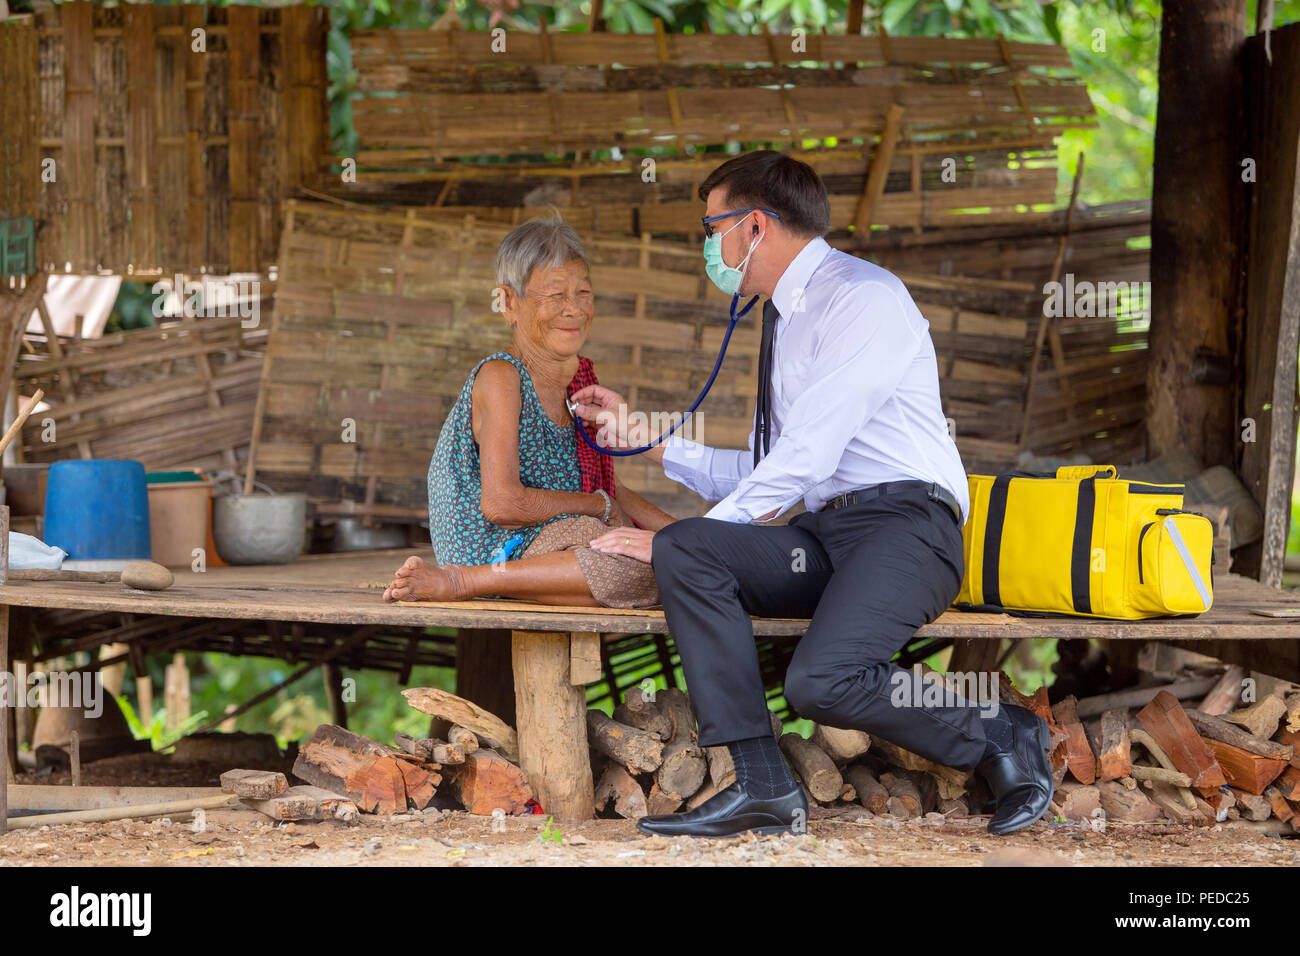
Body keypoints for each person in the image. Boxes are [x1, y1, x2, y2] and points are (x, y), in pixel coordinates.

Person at [572, 150, 1053, 838]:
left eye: (713, 228)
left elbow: (803, 458)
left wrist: (677, 535)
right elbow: (773, 468)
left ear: (756, 226)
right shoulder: (785, 318)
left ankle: (1004, 733)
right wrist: (644, 437)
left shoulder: (863, 298)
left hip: (907, 529)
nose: (709, 245)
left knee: (820, 680)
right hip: (828, 533)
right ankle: (765, 788)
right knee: (690, 551)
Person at [382, 215, 675, 609]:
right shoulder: (502, 377)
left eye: (583, 292)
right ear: (507, 303)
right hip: (498, 545)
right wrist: (597, 506)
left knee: (674, 561)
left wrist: (689, 538)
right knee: (638, 568)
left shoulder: (579, 382)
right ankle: (462, 581)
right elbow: (503, 505)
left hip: (563, 537)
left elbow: (611, 489)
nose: (573, 309)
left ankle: (551, 577)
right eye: (555, 296)